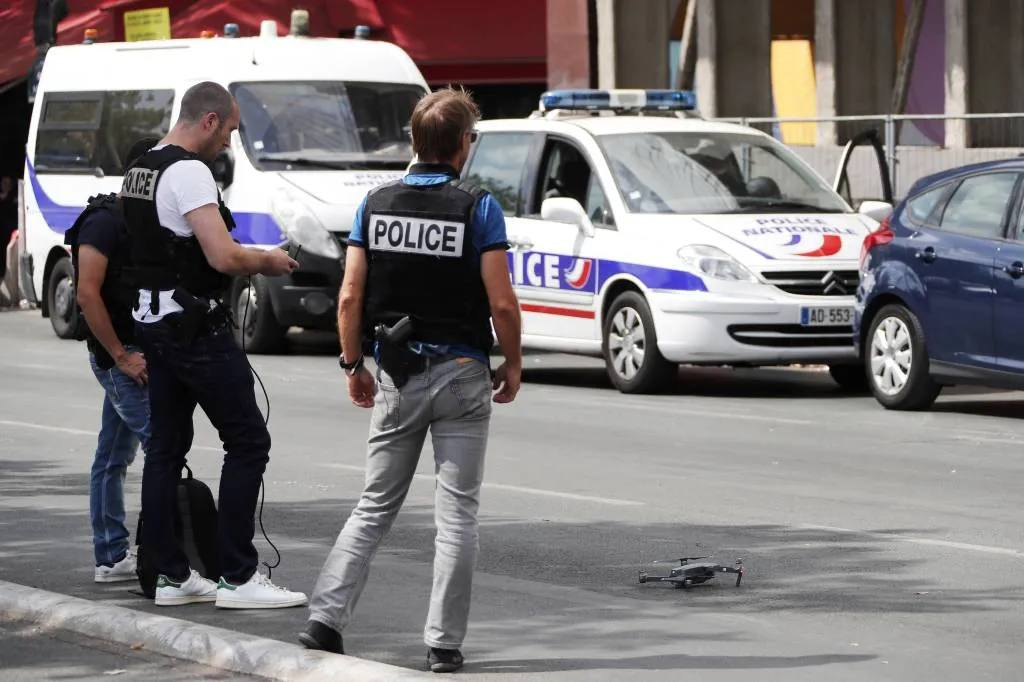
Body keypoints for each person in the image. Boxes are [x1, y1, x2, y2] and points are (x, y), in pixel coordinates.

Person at [299, 86, 523, 673]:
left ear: (416, 142)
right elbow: (502, 303)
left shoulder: (373, 206)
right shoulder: (479, 207)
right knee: (457, 517)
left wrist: (353, 366)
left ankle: (324, 621)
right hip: (463, 375)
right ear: (461, 146)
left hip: (397, 373)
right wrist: (515, 362)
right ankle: (442, 646)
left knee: (374, 505)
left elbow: (349, 295)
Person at [122, 81, 306, 609]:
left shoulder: (142, 167)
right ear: (207, 120)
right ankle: (237, 577)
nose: (228, 141)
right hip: (193, 328)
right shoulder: (187, 170)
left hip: (152, 322)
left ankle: (171, 577)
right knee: (248, 443)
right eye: (228, 129)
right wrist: (268, 260)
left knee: (165, 448)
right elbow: (223, 256)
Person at [67, 136, 161, 583]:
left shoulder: (143, 220)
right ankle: (160, 556)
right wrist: (122, 356)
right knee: (162, 447)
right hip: (121, 358)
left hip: (136, 354)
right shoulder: (104, 222)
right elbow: (86, 293)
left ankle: (112, 556)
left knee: (112, 456)